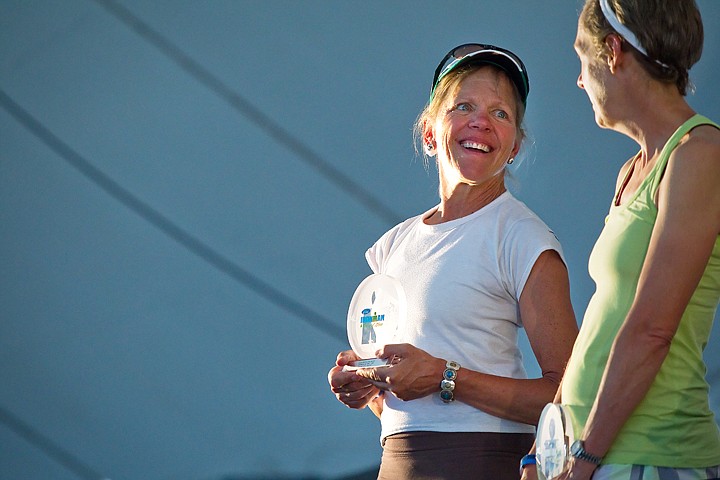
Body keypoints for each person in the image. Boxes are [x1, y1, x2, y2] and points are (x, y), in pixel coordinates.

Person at [327, 43, 578, 479]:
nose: (481, 120)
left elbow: (573, 393)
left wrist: (447, 377)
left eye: (501, 113)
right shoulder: (393, 245)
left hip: (485, 463)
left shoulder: (522, 237)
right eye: (464, 105)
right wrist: (368, 387)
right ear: (429, 132)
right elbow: (403, 404)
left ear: (514, 146)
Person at [521, 1, 720, 479]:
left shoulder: (701, 152)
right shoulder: (632, 171)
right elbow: (601, 325)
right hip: (588, 455)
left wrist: (585, 457)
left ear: (612, 51)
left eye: (580, 58)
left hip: (653, 456)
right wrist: (541, 450)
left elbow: (651, 329)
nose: (578, 80)